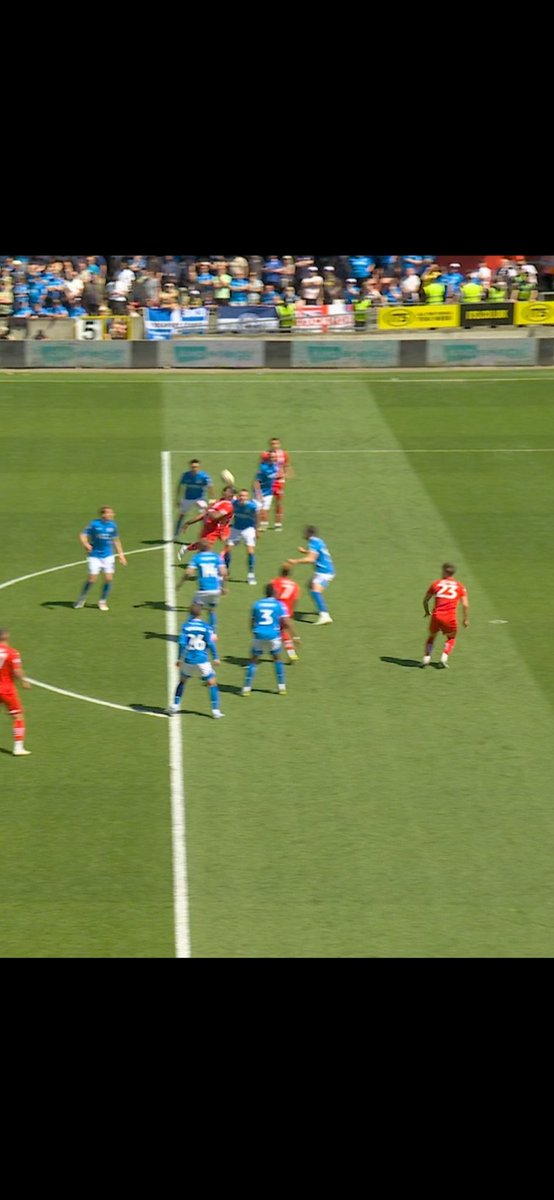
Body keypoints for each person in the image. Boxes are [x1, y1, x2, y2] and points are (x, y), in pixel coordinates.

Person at [168, 603, 224, 719]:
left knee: (182, 682)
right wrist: (216, 657)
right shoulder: (206, 627)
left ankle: (174, 706)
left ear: (190, 613)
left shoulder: (186, 626)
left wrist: (179, 659)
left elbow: (182, 643)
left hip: (188, 660)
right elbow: (210, 643)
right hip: (202, 661)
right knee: (212, 683)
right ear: (200, 613)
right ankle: (215, 711)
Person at [74, 506, 127, 611]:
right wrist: (86, 544)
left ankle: (102, 601)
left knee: (109, 579)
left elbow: (116, 540)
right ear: (103, 514)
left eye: (112, 513)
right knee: (92, 579)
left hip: (108, 555)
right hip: (95, 556)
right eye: (109, 513)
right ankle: (81, 598)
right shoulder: (94, 524)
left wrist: (121, 555)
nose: (112, 514)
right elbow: (83, 534)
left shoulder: (113, 526)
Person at [242, 584, 291, 696]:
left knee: (253, 661)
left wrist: (254, 631)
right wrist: (282, 631)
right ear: (274, 592)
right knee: (277, 659)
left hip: (259, 635)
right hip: (273, 635)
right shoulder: (279, 605)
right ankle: (281, 687)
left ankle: (246, 688)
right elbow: (285, 622)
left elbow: (252, 621)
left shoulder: (257, 604)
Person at [422, 562, 469, 668]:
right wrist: (465, 620)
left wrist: (426, 611)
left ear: (444, 572)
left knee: (432, 637)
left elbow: (425, 601)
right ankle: (444, 657)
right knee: (451, 638)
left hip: (436, 616)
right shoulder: (460, 586)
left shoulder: (436, 584)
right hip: (450, 618)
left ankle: (426, 658)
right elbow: (465, 605)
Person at [175, 539, 227, 634]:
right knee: (211, 610)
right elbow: (224, 572)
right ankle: (213, 633)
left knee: (194, 609)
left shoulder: (197, 558)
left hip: (203, 590)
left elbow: (188, 573)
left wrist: (180, 583)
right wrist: (224, 587)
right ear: (209, 547)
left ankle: (188, 631)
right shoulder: (217, 557)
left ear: (199, 548)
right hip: (215, 589)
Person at [287, 525, 335, 625]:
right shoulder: (319, 541)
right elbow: (317, 553)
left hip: (324, 572)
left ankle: (325, 615)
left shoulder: (313, 542)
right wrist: (305, 551)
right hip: (326, 570)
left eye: (305, 533)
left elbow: (311, 559)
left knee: (315, 591)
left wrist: (295, 561)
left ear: (309, 534)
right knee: (310, 585)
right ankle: (320, 608)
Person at [177, 485, 235, 560]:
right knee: (205, 547)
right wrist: (189, 522)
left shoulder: (228, 502)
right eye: (229, 493)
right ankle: (195, 559)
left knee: (229, 543)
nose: (232, 495)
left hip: (224, 527)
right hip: (213, 527)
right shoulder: (224, 504)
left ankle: (221, 560)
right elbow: (211, 516)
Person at [0, 628, 31, 756]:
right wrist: (24, 681)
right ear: (7, 637)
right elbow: (17, 671)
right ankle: (18, 747)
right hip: (7, 689)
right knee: (18, 716)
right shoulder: (13, 653)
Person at [174, 458, 214, 541]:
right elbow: (180, 486)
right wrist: (178, 498)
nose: (194, 469)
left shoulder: (204, 476)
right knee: (181, 515)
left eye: (196, 467)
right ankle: (175, 535)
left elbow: (210, 487)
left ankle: (204, 536)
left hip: (200, 499)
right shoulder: (186, 475)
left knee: (204, 517)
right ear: (190, 467)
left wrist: (212, 499)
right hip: (188, 498)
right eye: (193, 467)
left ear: (199, 467)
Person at [225, 489, 259, 584]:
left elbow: (256, 517)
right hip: (236, 528)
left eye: (244, 496)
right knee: (228, 549)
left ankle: (251, 574)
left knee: (250, 551)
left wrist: (257, 530)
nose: (242, 497)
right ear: (238, 496)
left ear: (247, 497)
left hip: (248, 529)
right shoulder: (234, 503)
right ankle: (226, 571)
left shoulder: (252, 506)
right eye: (241, 495)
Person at [260, 437, 292, 531]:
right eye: (272, 444)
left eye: (276, 443)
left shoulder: (284, 454)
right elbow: (262, 467)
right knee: (265, 503)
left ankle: (278, 524)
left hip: (279, 482)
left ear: (279, 444)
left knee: (278, 502)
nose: (274, 445)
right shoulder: (265, 455)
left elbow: (287, 466)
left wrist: (285, 475)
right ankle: (264, 523)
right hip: (267, 482)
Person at [271, 564, 301, 662]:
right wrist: (292, 611)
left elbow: (273, 594)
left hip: (276, 608)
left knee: (274, 631)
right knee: (283, 631)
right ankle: (291, 653)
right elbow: (296, 599)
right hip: (287, 610)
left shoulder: (275, 581)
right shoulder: (295, 586)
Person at [254, 449, 280, 531]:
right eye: (271, 457)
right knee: (258, 510)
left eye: (274, 457)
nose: (273, 458)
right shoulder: (263, 468)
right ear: (268, 457)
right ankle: (258, 525)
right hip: (260, 491)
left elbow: (277, 475)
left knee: (264, 510)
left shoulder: (276, 466)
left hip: (269, 492)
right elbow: (256, 482)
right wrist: (259, 494)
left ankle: (263, 525)